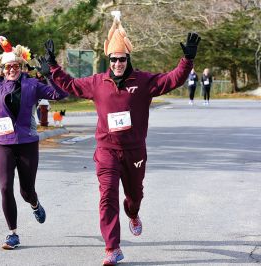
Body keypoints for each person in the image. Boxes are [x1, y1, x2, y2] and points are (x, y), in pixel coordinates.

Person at [42, 14, 200, 265]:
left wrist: (187, 60)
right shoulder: (97, 83)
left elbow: (173, 79)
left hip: (135, 151)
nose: (117, 63)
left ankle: (134, 213)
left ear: (128, 59)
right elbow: (70, 85)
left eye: (121, 59)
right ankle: (112, 248)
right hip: (106, 149)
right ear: (109, 60)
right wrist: (53, 66)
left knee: (134, 195)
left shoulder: (144, 81)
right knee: (107, 196)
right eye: (113, 59)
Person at [0, 36, 69, 250]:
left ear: (21, 66)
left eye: (16, 66)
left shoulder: (32, 85)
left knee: (26, 190)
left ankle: (34, 203)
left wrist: (49, 74)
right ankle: (12, 233)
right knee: (4, 187)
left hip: (27, 143)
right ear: (3, 68)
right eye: (8, 66)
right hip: (3, 144)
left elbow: (61, 94)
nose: (12, 69)